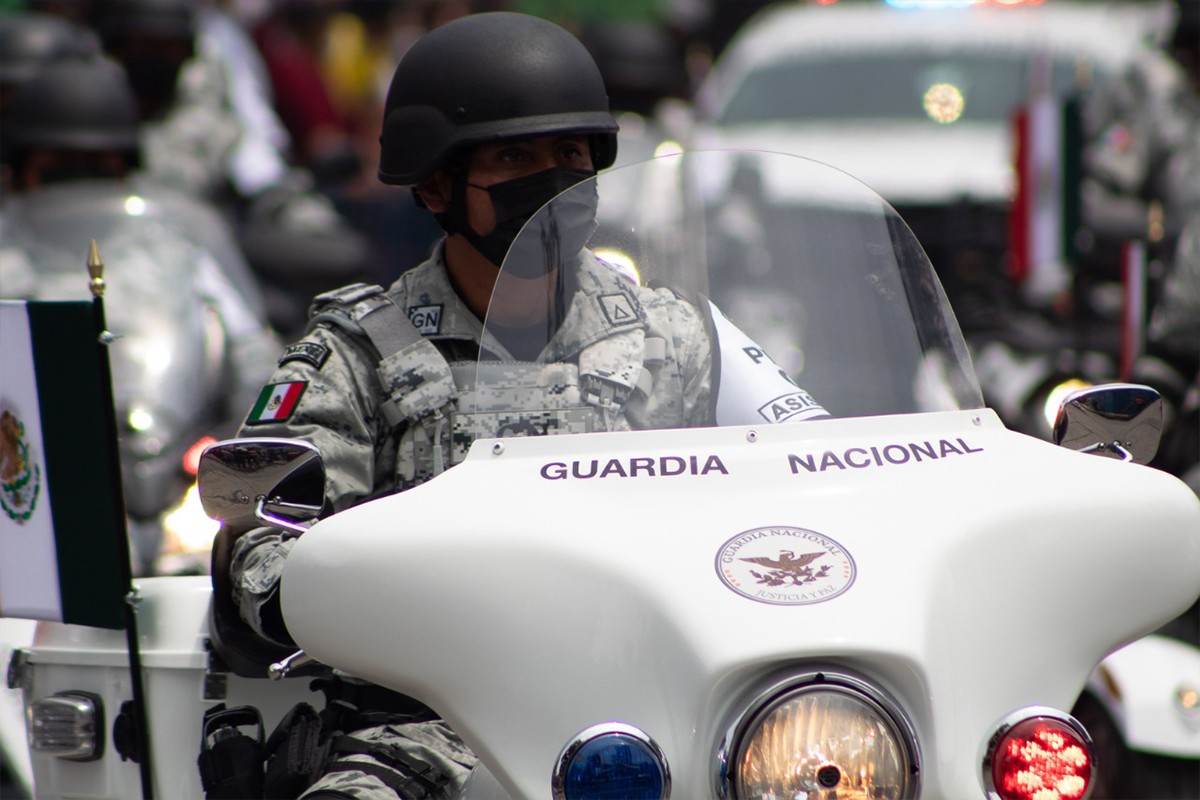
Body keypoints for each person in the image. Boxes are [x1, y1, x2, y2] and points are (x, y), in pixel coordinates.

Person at [225, 11, 826, 799]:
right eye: (517, 157)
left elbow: (821, 466)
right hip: (433, 729)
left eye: (570, 155)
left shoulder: (679, 335)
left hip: (669, 713)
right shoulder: (360, 352)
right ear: (437, 183)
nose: (552, 182)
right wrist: (358, 588)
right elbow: (259, 547)